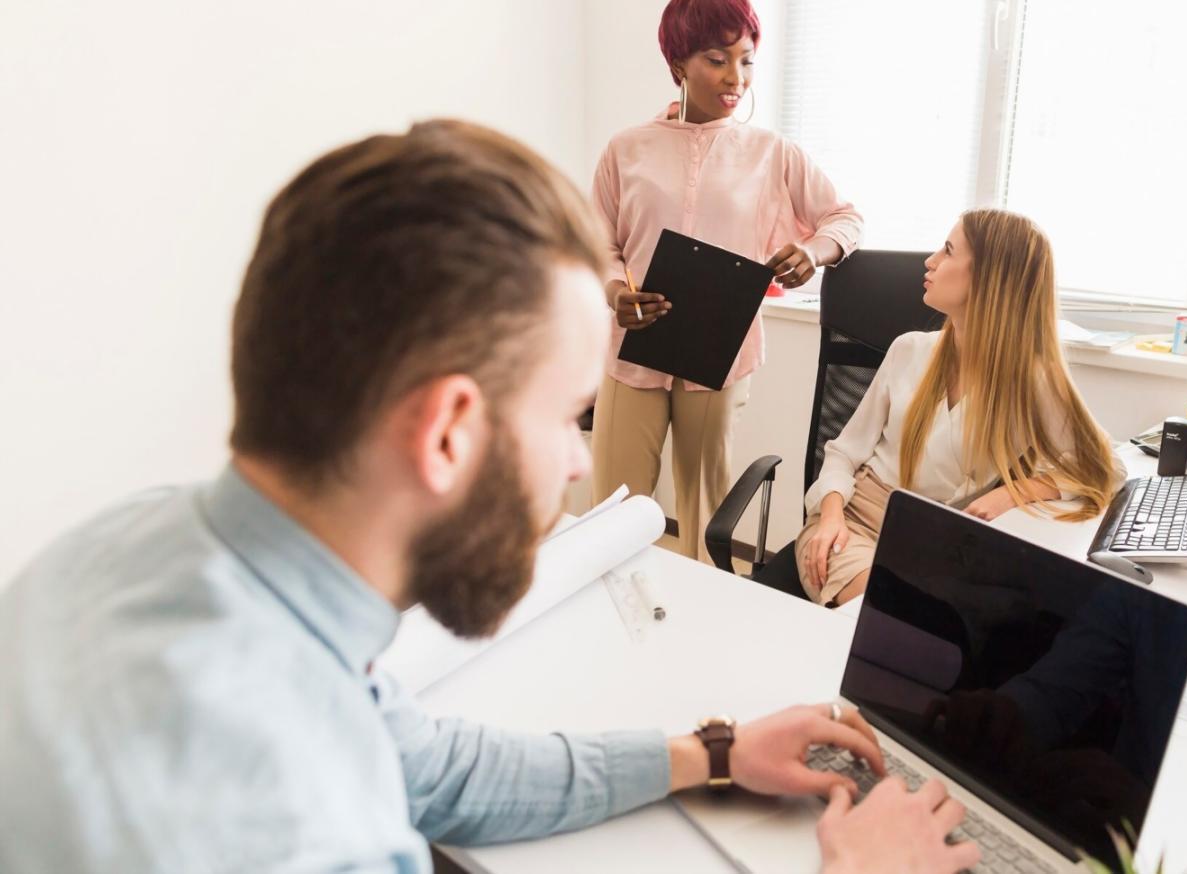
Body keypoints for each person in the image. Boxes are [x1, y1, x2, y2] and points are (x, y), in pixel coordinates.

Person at [0, 121, 979, 874]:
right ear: (447, 435)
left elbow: (434, 769)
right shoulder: (294, 816)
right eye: (569, 415)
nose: (571, 467)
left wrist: (713, 753)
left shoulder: (143, 546)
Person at [590, 0, 862, 562]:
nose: (735, 78)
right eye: (717, 59)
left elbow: (846, 219)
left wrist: (813, 252)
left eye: (747, 60)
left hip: (720, 350)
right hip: (633, 346)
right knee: (613, 509)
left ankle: (700, 626)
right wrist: (616, 290)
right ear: (678, 65)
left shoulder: (772, 153)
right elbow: (598, 243)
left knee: (706, 511)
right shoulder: (625, 149)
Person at [796, 209, 1125, 606]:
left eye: (948, 251)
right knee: (888, 615)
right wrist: (830, 516)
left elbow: (1106, 468)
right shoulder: (910, 349)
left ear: (990, 277)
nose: (930, 261)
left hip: (944, 544)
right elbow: (843, 453)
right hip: (855, 522)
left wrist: (1016, 492)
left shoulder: (1034, 381)